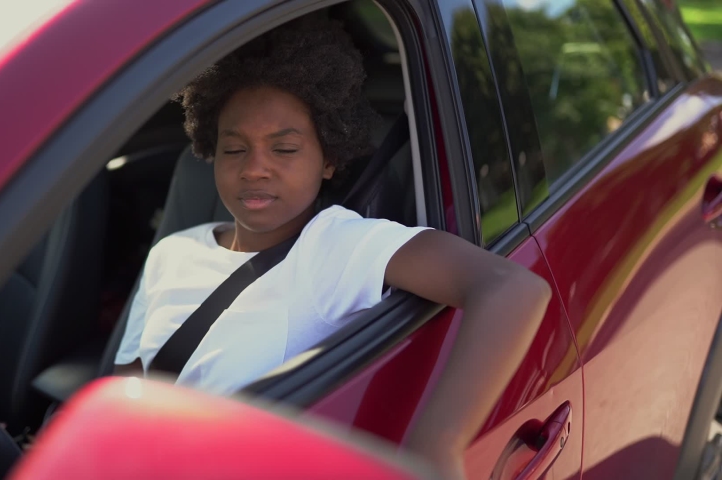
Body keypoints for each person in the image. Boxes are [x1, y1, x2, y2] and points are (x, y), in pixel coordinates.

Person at [113, 14, 551, 479]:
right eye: (234, 148)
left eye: (284, 149)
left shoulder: (335, 246)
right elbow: (126, 397)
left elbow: (511, 288)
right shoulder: (172, 252)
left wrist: (435, 447)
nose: (254, 168)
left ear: (328, 159)